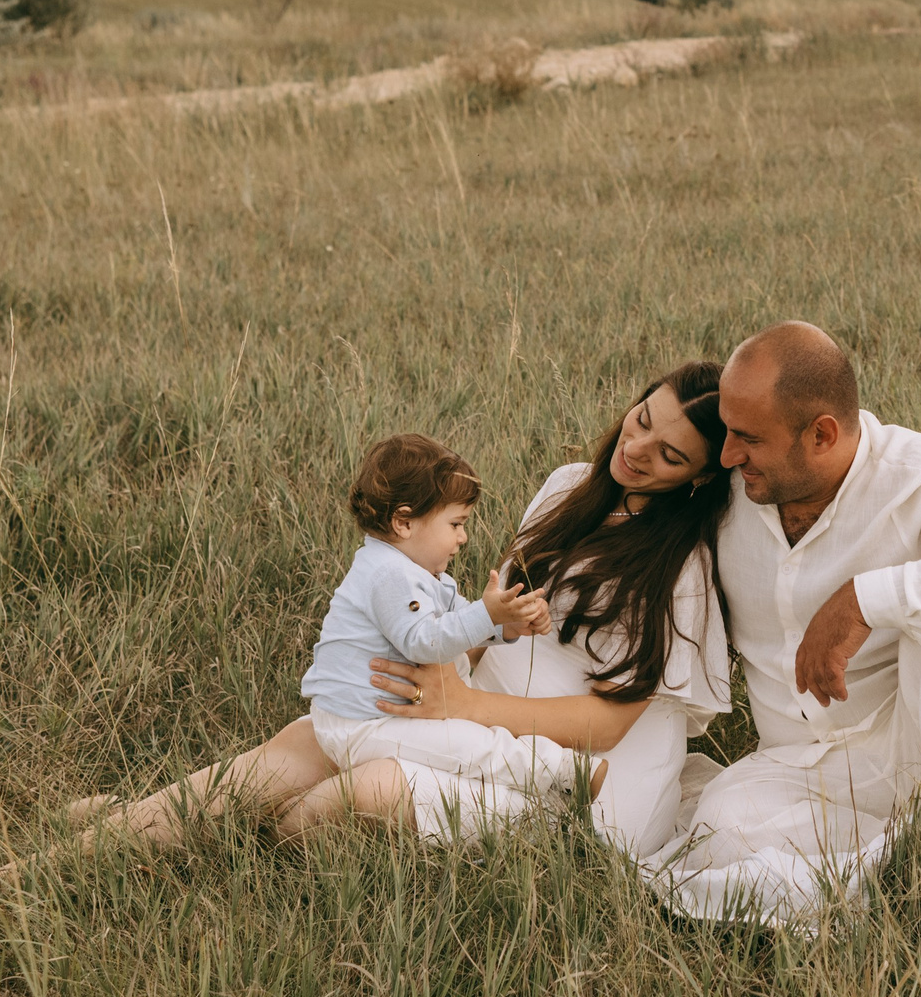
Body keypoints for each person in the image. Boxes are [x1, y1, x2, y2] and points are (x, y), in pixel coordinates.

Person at [36, 361, 732, 863]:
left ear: (701, 475)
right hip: (479, 710)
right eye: (641, 420)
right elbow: (500, 611)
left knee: (350, 795)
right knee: (311, 736)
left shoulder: (682, 569)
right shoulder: (571, 486)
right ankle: (112, 839)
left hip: (579, 779)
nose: (634, 451)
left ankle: (209, 835)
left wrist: (461, 705)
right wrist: (437, 672)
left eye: (668, 453)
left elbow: (609, 722)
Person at [648, 322, 921, 979]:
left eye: (749, 438)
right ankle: (910, 880)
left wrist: (868, 599)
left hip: (917, 748)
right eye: (727, 431)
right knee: (713, 831)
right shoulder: (726, 491)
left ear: (821, 433)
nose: (727, 454)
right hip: (794, 770)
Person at [298, 432, 588, 803]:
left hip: (375, 716)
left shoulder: (414, 572)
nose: (463, 537)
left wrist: (504, 625)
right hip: (360, 725)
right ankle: (563, 773)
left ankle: (552, 775)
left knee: (463, 742)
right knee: (468, 745)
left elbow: (454, 626)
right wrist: (486, 614)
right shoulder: (390, 575)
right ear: (404, 523)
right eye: (455, 524)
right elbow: (427, 641)